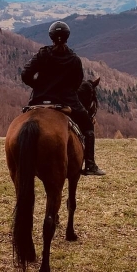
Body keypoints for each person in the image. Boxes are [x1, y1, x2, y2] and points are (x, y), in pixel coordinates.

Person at [21, 21, 106, 176]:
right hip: (67, 102)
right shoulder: (74, 60)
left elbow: (25, 75)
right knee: (88, 127)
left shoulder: (42, 54)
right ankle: (90, 165)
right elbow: (77, 83)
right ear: (67, 37)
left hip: (39, 100)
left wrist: (38, 86)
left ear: (51, 37)